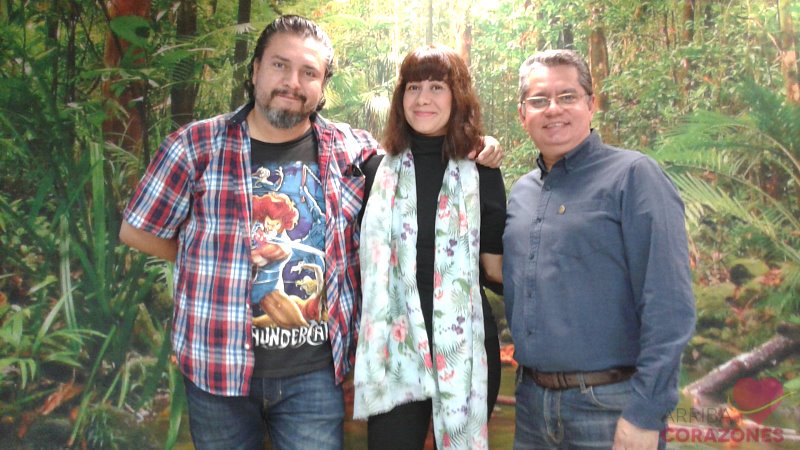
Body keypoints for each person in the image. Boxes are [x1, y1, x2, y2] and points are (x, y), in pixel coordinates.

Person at [119, 15, 502, 450]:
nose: (292, 82)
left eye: (309, 72)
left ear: (322, 87)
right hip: (217, 366)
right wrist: (205, 256)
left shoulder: (352, 150)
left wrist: (480, 146)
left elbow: (421, 161)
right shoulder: (195, 146)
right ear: (255, 70)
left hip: (314, 377)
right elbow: (136, 230)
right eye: (280, 66)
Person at [503, 49, 696, 450]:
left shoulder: (634, 176)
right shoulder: (522, 192)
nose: (553, 109)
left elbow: (670, 303)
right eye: (539, 100)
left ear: (591, 104)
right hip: (531, 407)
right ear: (522, 114)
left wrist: (646, 413)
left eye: (567, 96)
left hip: (608, 406)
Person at [353, 45, 505, 450]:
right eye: (413, 87)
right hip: (394, 350)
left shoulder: (482, 171)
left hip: (464, 348)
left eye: (437, 86)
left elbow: (494, 268)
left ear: (457, 97)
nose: (423, 98)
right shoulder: (375, 171)